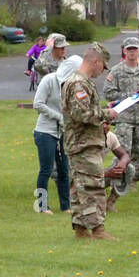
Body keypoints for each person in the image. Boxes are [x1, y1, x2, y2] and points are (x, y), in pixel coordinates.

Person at [61, 43, 119, 239]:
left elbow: (83, 113)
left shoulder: (80, 82)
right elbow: (82, 113)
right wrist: (107, 113)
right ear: (95, 61)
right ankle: (98, 230)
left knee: (80, 187)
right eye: (103, 66)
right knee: (93, 187)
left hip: (81, 142)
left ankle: (81, 229)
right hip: (83, 144)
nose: (103, 71)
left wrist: (102, 121)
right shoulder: (79, 83)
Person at [103, 37, 139, 209]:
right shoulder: (116, 71)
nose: (132, 52)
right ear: (124, 51)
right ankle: (113, 180)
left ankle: (132, 179)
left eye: (135, 49)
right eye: (129, 49)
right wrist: (129, 97)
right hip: (123, 118)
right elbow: (108, 92)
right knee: (122, 151)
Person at [31, 54, 83, 215]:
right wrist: (58, 117)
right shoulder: (49, 80)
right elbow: (37, 104)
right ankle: (42, 206)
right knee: (46, 170)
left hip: (62, 132)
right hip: (45, 132)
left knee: (64, 170)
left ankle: (65, 206)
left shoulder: (73, 86)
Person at [101, 122, 132, 206]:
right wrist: (107, 174)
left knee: (129, 168)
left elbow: (125, 155)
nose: (105, 126)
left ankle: (110, 203)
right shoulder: (86, 140)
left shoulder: (110, 136)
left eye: (108, 124)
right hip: (82, 178)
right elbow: (84, 171)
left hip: (99, 175)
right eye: (102, 123)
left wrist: (122, 163)